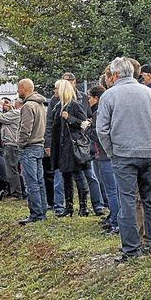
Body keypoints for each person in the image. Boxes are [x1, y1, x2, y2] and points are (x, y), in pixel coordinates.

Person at [96, 57, 151, 262]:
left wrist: (111, 151)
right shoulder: (149, 93)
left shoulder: (109, 96)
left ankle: (131, 249)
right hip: (148, 152)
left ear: (116, 75)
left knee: (126, 200)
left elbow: (102, 129)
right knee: (150, 199)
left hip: (123, 154)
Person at [50, 79, 93, 217]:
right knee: (66, 176)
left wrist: (70, 118)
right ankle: (68, 206)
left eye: (57, 88)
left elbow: (84, 124)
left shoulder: (74, 105)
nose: (54, 91)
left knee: (78, 176)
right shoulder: (58, 106)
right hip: (62, 147)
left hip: (73, 146)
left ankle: (83, 206)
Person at [88, 85, 120, 234]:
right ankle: (114, 217)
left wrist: (87, 129)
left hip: (104, 155)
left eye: (90, 97)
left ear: (97, 98)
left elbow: (99, 135)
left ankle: (115, 221)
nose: (88, 100)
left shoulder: (99, 113)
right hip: (107, 154)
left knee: (111, 191)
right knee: (112, 190)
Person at [17, 78, 48, 225]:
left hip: (29, 147)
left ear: (24, 88)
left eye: (19, 88)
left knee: (31, 183)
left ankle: (36, 214)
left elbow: (25, 128)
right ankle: (42, 211)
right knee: (40, 181)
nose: (18, 91)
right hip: (39, 145)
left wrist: (20, 144)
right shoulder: (41, 104)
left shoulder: (28, 106)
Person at [0, 98, 24, 198]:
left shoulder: (16, 113)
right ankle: (18, 191)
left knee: (11, 169)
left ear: (18, 103)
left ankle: (16, 193)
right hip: (12, 144)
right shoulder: (16, 113)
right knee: (15, 169)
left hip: (11, 144)